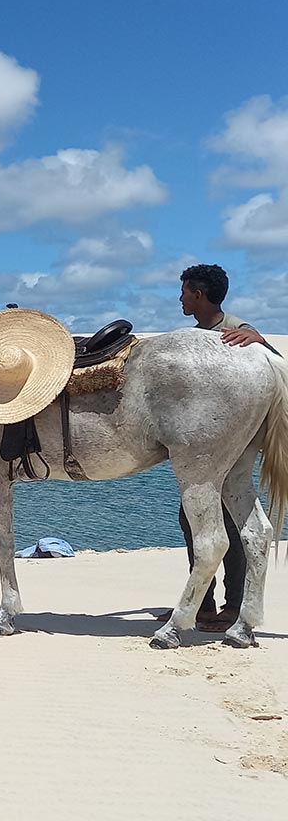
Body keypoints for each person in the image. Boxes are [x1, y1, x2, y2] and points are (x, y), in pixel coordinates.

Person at [171, 263, 277, 631]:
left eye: (184, 292)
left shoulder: (234, 329)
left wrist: (258, 338)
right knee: (191, 519)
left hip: (226, 447)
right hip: (202, 448)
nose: (180, 297)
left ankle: (233, 605)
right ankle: (202, 602)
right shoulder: (194, 336)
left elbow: (267, 364)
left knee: (231, 523)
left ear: (199, 295)